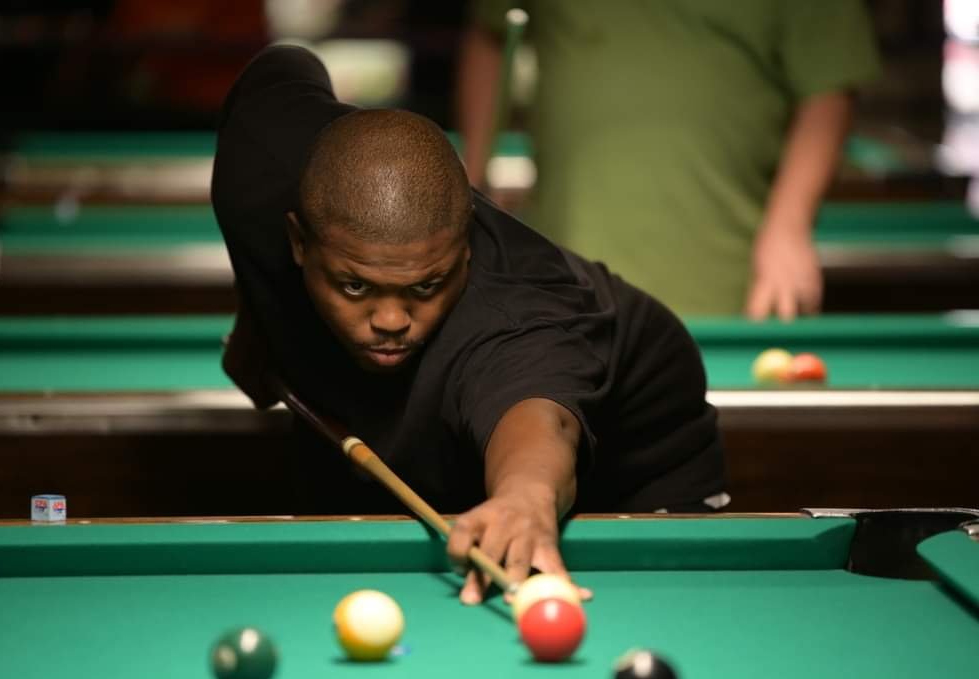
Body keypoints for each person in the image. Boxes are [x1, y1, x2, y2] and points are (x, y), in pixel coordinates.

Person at [213, 45, 726, 606]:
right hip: (409, 425)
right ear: (297, 242)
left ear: (464, 253)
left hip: (643, 441)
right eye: (355, 286)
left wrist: (525, 496)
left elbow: (540, 421)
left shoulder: (517, 319)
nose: (391, 322)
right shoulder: (259, 160)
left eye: (426, 286)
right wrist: (256, 318)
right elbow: (280, 65)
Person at [457, 1, 881, 319]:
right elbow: (489, 33)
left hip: (729, 275)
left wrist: (789, 228)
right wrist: (470, 188)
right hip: (561, 273)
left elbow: (830, 89)